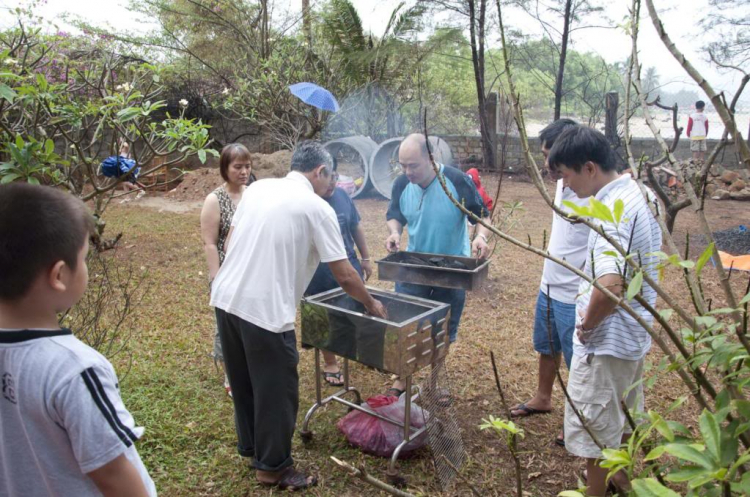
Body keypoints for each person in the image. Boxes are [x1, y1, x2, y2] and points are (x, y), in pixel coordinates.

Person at [209, 141, 387, 491]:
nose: (333, 183)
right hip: (264, 312)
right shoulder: (315, 207)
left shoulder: (258, 188)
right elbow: (346, 275)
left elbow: (229, 243)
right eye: (332, 175)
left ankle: (252, 449)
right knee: (278, 392)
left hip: (226, 300)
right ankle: (272, 469)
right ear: (319, 172)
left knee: (244, 383)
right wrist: (371, 305)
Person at [0, 183, 156, 497]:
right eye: (84, 257)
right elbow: (113, 474)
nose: (86, 267)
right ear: (59, 276)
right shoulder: (76, 370)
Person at [547, 126, 662, 496]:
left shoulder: (611, 212)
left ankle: (597, 491)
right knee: (621, 418)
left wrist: (586, 326)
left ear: (590, 168)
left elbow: (610, 287)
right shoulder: (635, 193)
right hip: (631, 338)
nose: (565, 188)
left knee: (596, 430)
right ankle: (622, 480)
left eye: (565, 176)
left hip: (606, 343)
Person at [385, 133, 491, 396]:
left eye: (414, 165)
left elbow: (483, 217)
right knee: (406, 323)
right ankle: (402, 377)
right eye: (403, 165)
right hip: (413, 266)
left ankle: (436, 379)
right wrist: (395, 233)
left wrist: (479, 237)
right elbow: (395, 215)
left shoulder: (456, 181)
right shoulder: (401, 184)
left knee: (442, 327)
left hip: (451, 269)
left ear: (431, 159)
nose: (407, 171)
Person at [509, 119, 590, 451]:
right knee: (547, 346)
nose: (547, 167)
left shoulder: (589, 189)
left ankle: (578, 421)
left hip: (575, 292)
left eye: (551, 159)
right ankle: (544, 398)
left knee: (579, 364)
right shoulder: (561, 182)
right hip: (550, 283)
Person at [304, 160, 374, 387]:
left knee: (353, 311)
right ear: (318, 175)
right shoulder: (307, 203)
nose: (332, 183)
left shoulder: (343, 197)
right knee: (321, 317)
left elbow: (355, 226)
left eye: (335, 177)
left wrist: (364, 258)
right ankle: (330, 362)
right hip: (317, 273)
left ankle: (355, 351)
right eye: (328, 178)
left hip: (348, 266)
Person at [200, 143, 253, 397]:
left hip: (250, 271)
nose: (244, 171)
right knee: (228, 326)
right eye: (237, 167)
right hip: (227, 272)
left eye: (247, 166)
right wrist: (217, 278)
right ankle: (231, 375)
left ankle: (249, 369)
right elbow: (210, 243)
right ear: (225, 168)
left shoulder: (253, 194)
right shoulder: (215, 199)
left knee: (250, 322)